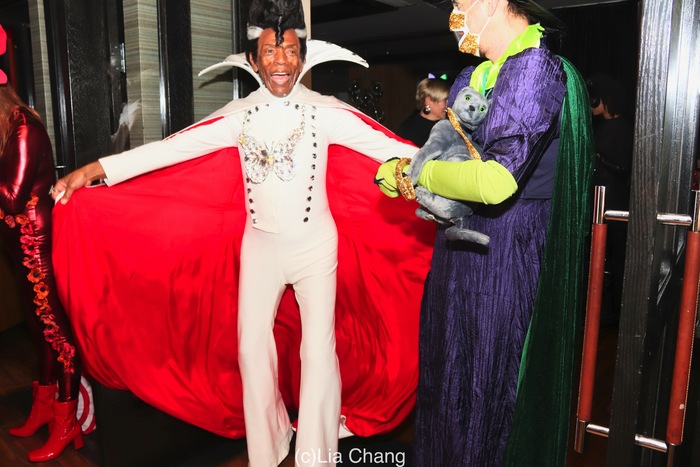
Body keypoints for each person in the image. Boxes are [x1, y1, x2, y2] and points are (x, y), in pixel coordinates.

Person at [50, 0, 431, 465]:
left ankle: (316, 454)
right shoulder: (238, 116)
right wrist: (93, 170)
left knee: (318, 353)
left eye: (290, 50)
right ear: (254, 60)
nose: (281, 61)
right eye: (271, 51)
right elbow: (169, 150)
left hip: (316, 248)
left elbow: (389, 148)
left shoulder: (326, 112)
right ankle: (267, 449)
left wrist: (452, 163)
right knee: (252, 352)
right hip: (260, 248)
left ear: (303, 57)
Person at [375, 0, 594, 465]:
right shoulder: (473, 77)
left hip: (508, 249)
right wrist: (412, 178)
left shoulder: (534, 69)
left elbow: (496, 181)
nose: (455, 16)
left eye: (460, 4)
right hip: (461, 246)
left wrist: (417, 176)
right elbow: (454, 158)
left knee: (489, 383)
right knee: (448, 373)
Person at [0, 26, 84, 462]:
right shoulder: (5, 128)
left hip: (36, 249)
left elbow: (12, 197)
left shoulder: (22, 128)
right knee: (38, 332)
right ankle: (44, 409)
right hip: (19, 247)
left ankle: (68, 423)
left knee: (58, 336)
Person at [587, 72, 634, 325]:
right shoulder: (604, 127)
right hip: (600, 201)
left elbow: (622, 168)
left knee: (613, 259)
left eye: (597, 99)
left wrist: (597, 159)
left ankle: (610, 313)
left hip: (614, 203)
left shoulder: (621, 128)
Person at [397, 77, 450, 146]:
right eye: (445, 100)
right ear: (428, 101)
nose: (448, 104)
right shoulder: (408, 129)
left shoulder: (451, 125)